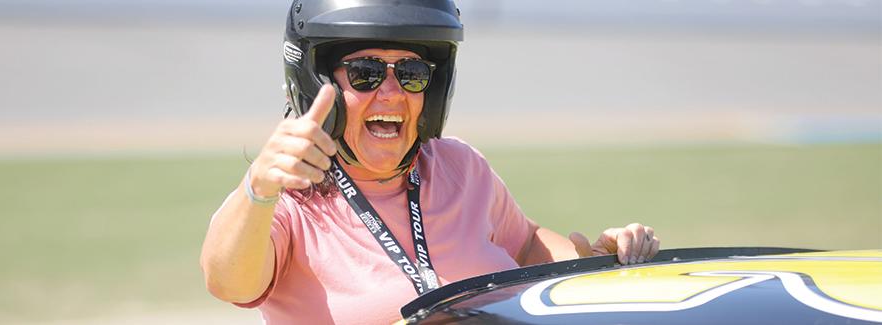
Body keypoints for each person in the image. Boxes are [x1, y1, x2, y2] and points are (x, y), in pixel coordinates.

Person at [200, 1, 660, 324]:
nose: (392, 92)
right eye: (366, 72)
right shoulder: (287, 197)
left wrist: (597, 263)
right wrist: (259, 188)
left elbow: (529, 248)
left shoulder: (459, 167)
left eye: (413, 73)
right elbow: (228, 282)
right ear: (317, 84)